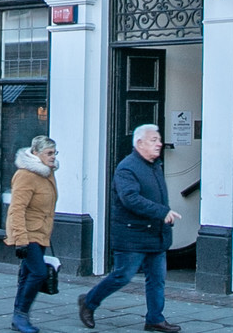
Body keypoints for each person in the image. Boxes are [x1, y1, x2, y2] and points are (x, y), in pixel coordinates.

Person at [77, 125, 181, 333]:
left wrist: (163, 217)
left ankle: (154, 319)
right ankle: (89, 302)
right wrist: (162, 212)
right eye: (153, 140)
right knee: (123, 276)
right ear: (139, 143)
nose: (159, 143)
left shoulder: (154, 165)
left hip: (155, 234)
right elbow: (130, 199)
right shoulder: (127, 168)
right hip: (132, 235)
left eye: (159, 139)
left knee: (157, 279)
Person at [6, 137, 61, 333]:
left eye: (55, 153)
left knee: (27, 274)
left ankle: (18, 317)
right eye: (49, 153)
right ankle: (21, 315)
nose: (53, 157)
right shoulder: (26, 175)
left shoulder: (47, 173)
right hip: (27, 233)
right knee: (38, 272)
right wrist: (20, 240)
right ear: (36, 154)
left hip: (40, 232)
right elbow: (17, 209)